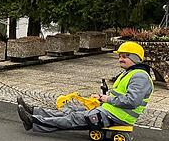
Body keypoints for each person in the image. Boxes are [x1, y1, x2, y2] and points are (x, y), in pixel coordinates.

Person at [17, 41, 153, 133]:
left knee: (74, 118)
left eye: (124, 57)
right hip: (110, 110)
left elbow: (132, 101)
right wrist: (101, 98)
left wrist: (106, 99)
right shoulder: (131, 73)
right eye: (119, 56)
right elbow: (119, 95)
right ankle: (34, 111)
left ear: (135, 58)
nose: (120, 59)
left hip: (117, 116)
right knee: (71, 111)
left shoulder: (139, 77)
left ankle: (33, 121)